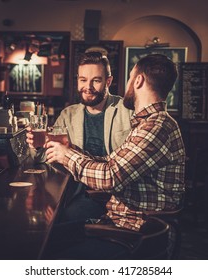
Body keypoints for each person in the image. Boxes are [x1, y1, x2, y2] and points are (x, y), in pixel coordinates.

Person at [44, 54, 186, 259]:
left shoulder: (156, 127)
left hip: (135, 233)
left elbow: (110, 176)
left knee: (50, 252)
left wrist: (67, 156)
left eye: (130, 77)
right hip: (120, 222)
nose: (127, 83)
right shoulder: (148, 123)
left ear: (138, 81)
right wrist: (69, 150)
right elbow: (111, 163)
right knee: (53, 235)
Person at [26, 51, 133, 221]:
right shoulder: (68, 115)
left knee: (62, 222)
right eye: (83, 80)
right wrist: (37, 145)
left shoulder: (126, 110)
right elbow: (44, 157)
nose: (88, 87)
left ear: (108, 81)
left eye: (96, 80)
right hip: (75, 192)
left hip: (115, 196)